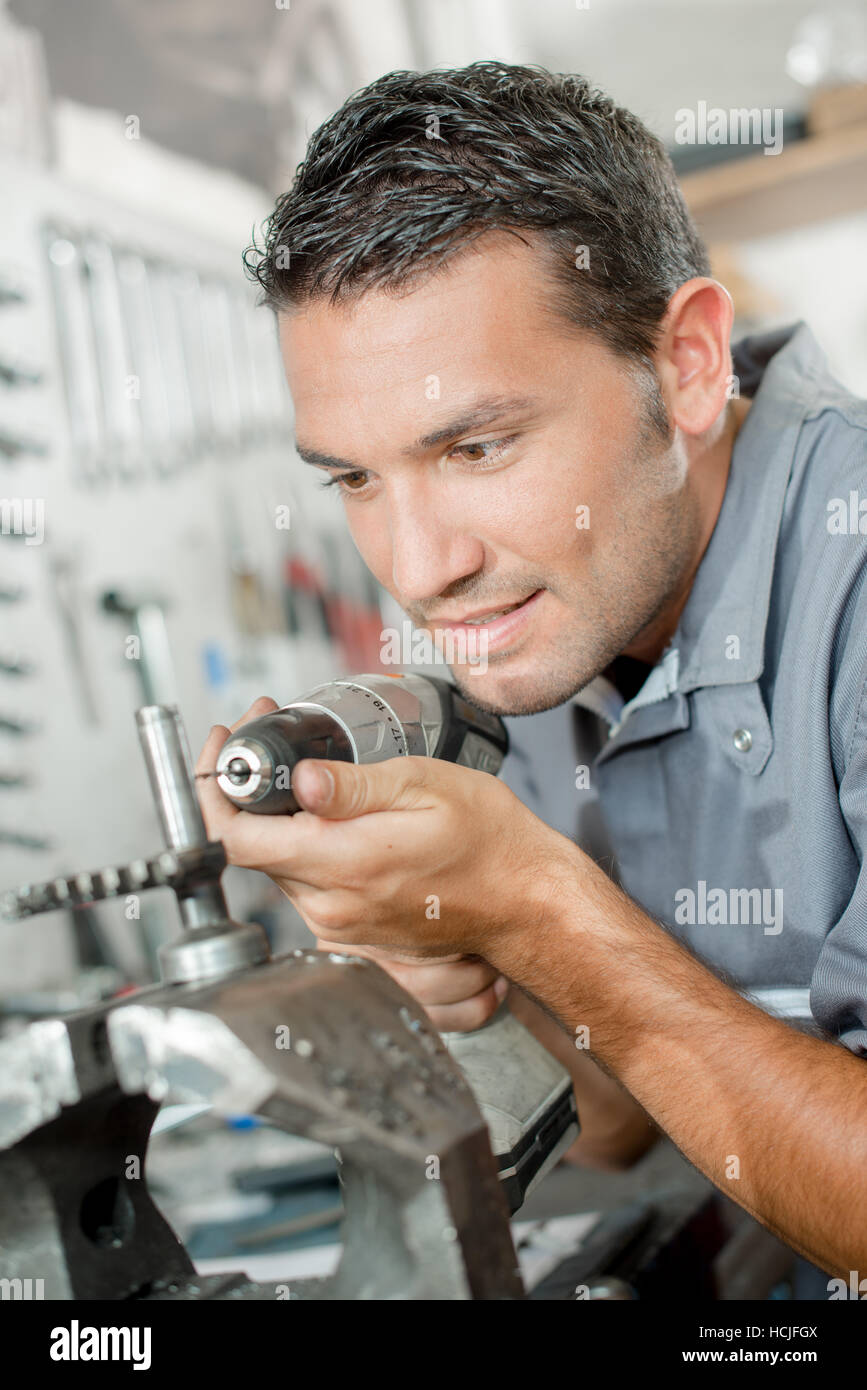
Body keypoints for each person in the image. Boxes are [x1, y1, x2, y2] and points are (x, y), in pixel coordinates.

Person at [196, 63, 867, 1282]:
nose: (418, 570)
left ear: (689, 366)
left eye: (479, 445)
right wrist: (456, 936)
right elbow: (616, 1121)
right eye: (353, 477)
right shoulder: (545, 617)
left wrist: (528, 900)